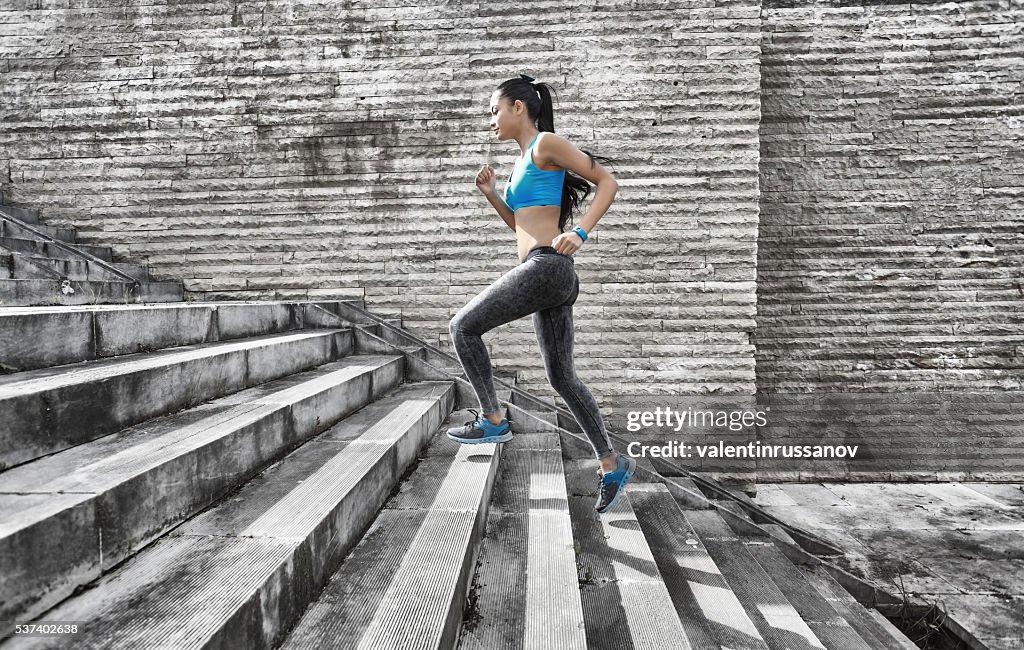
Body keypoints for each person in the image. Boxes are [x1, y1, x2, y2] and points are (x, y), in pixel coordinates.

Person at [445, 74, 636, 513]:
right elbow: (521, 227)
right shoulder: (521, 163)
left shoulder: (546, 142)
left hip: (548, 266)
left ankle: (493, 418)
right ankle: (611, 464)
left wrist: (582, 231)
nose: (490, 120)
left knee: (462, 326)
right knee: (561, 378)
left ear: (518, 107)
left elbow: (607, 181)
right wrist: (493, 195)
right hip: (545, 271)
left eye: (494, 110)